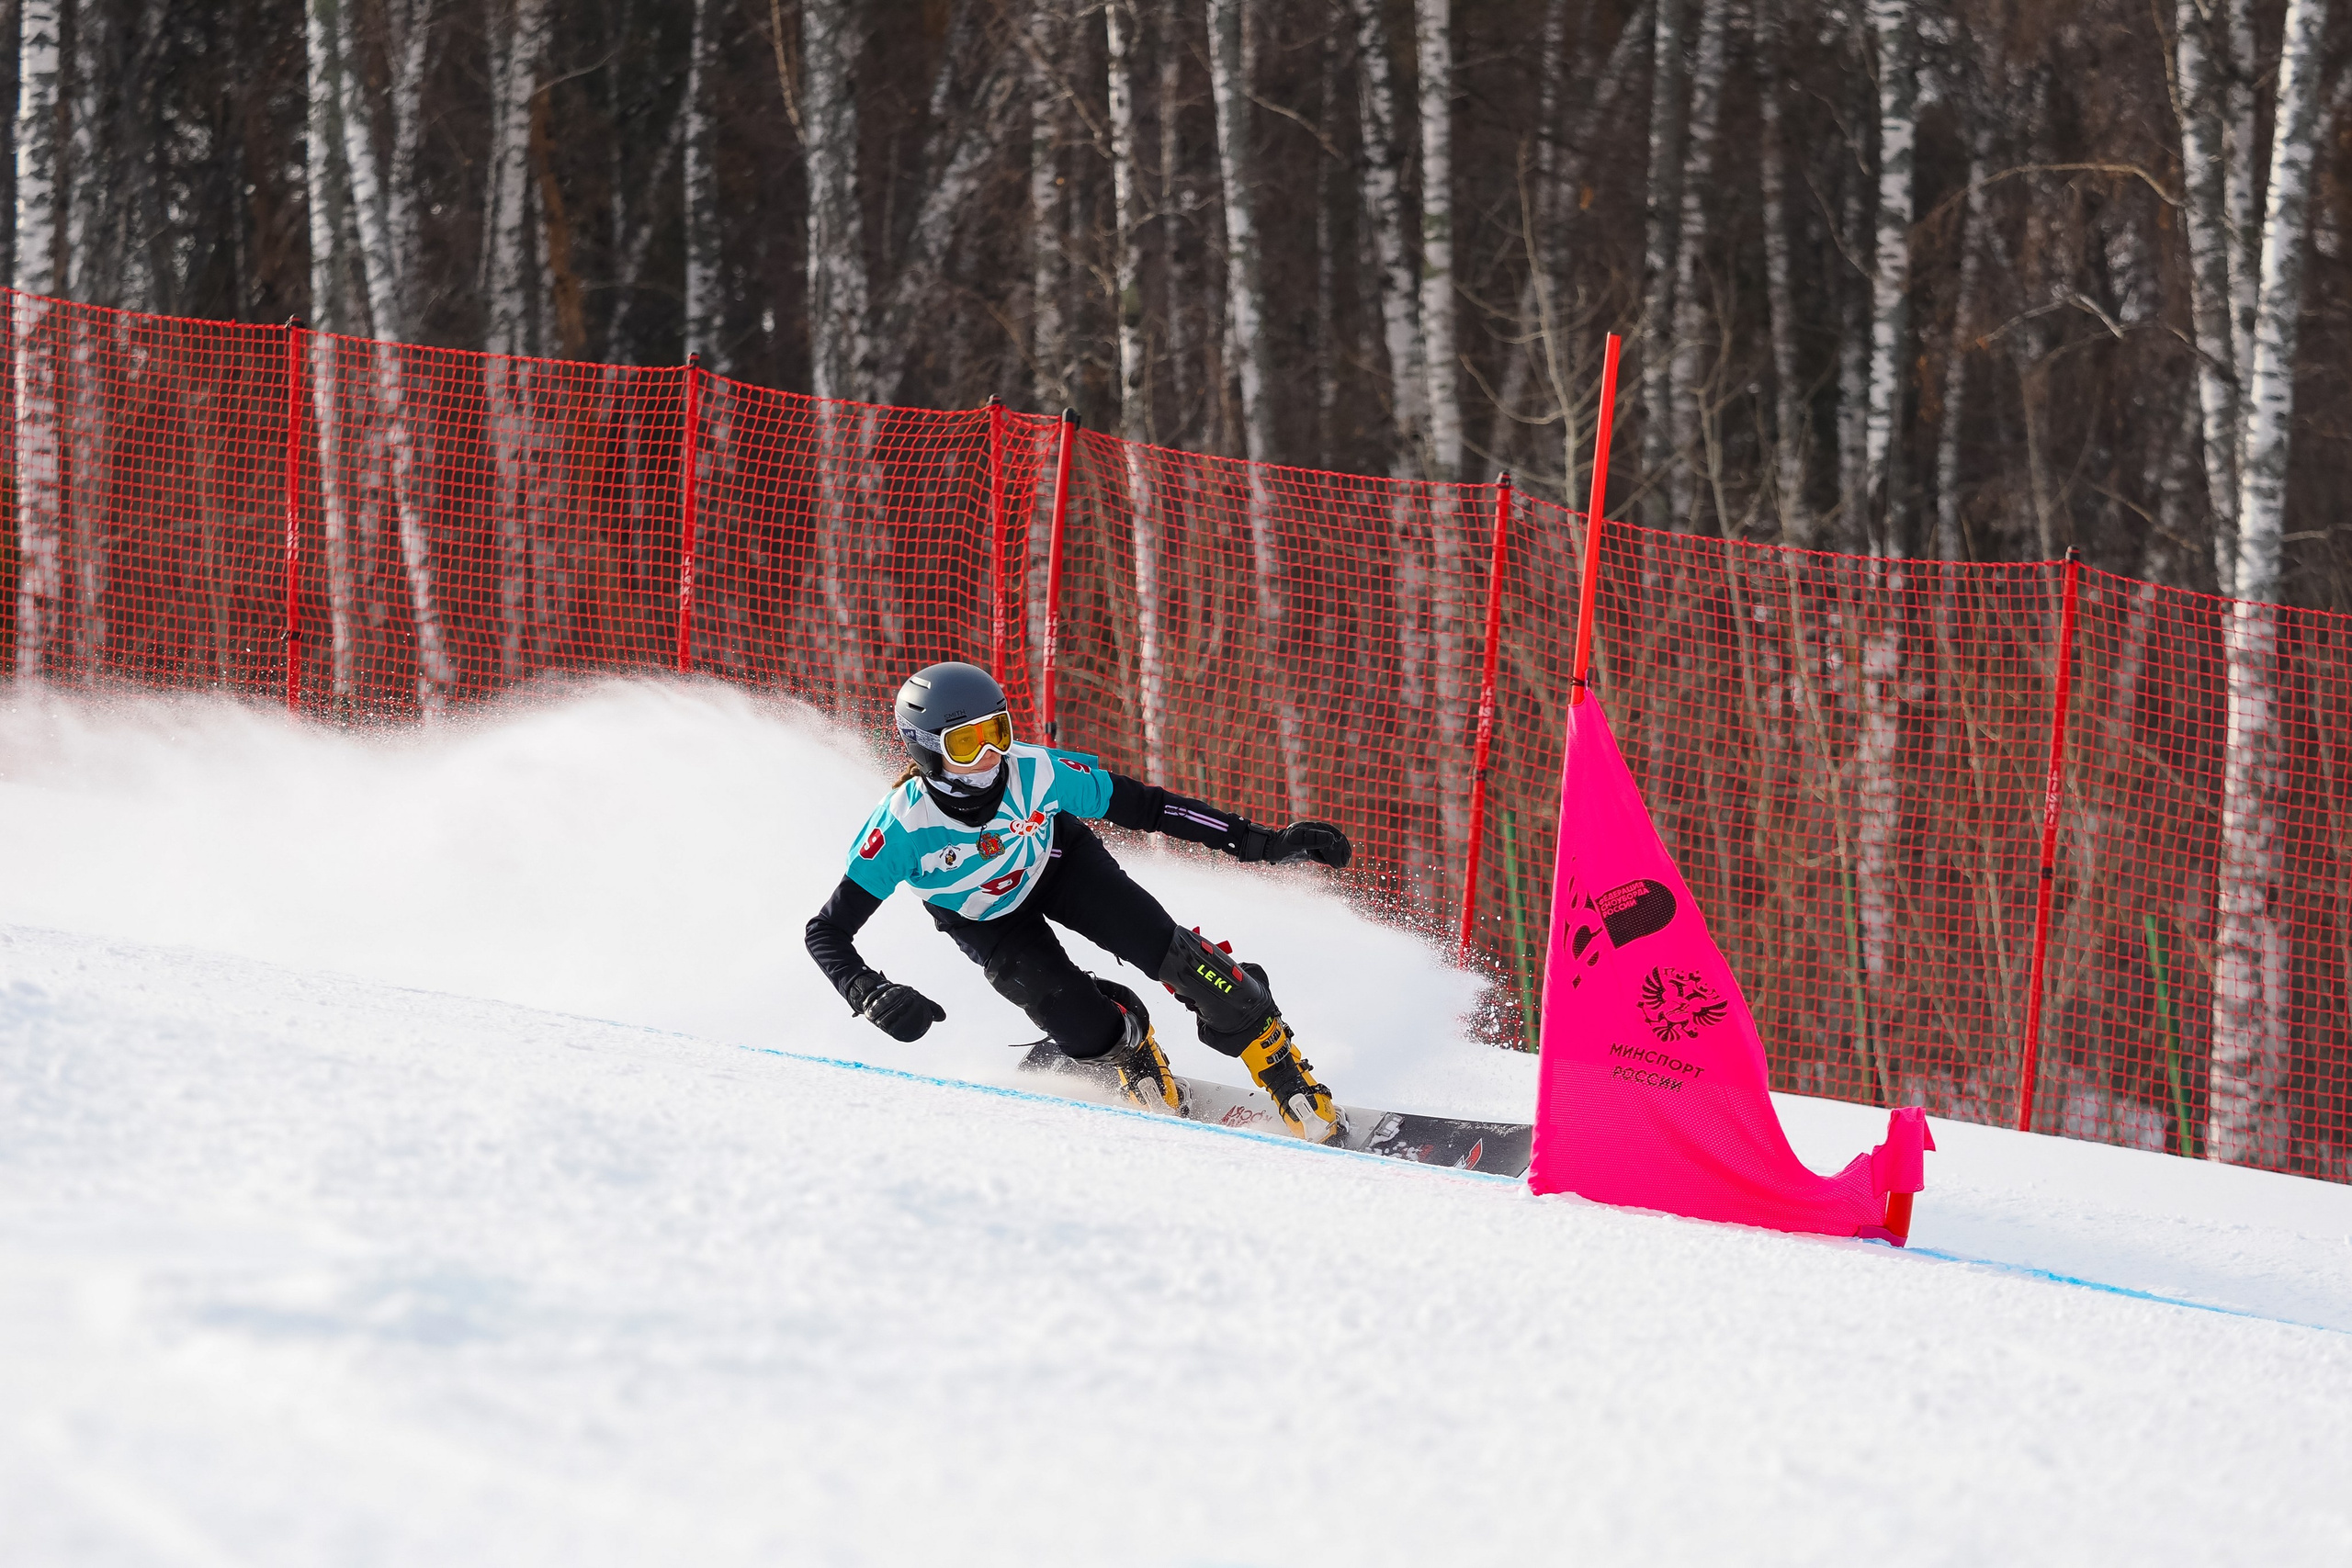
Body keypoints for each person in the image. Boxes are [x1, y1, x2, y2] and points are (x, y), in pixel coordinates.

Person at [805, 660, 1355, 1143]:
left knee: (1181, 961)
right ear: (925, 748)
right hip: (985, 918)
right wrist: (870, 992)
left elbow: (1150, 807)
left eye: (998, 731)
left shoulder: (1033, 770)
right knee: (1083, 1029)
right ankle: (1127, 1044)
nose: (993, 755)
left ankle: (1278, 1061)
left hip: (1061, 866)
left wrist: (1260, 841)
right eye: (967, 745)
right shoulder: (901, 828)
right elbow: (826, 931)